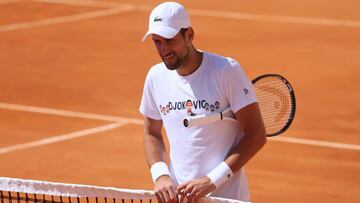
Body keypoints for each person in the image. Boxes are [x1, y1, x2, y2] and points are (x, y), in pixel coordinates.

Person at [139, 2, 266, 203]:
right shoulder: (155, 77)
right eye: (157, 42)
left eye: (170, 40)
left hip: (226, 199)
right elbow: (151, 132)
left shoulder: (226, 71)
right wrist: (161, 175)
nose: (164, 50)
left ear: (189, 35)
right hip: (180, 199)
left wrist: (211, 181)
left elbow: (257, 134)